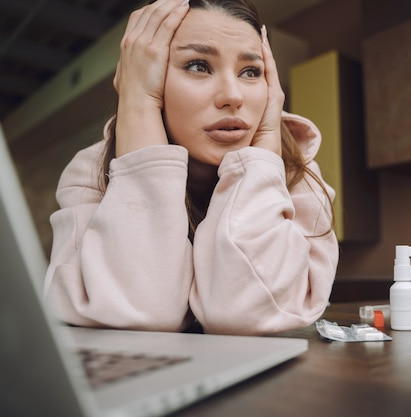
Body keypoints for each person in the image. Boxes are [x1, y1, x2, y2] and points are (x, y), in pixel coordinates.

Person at [44, 0, 339, 335]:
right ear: (149, 79)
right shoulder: (91, 170)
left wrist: (266, 150)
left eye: (251, 72)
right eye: (198, 65)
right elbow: (136, 311)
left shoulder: (295, 170)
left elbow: (247, 312)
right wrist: (138, 106)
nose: (233, 95)